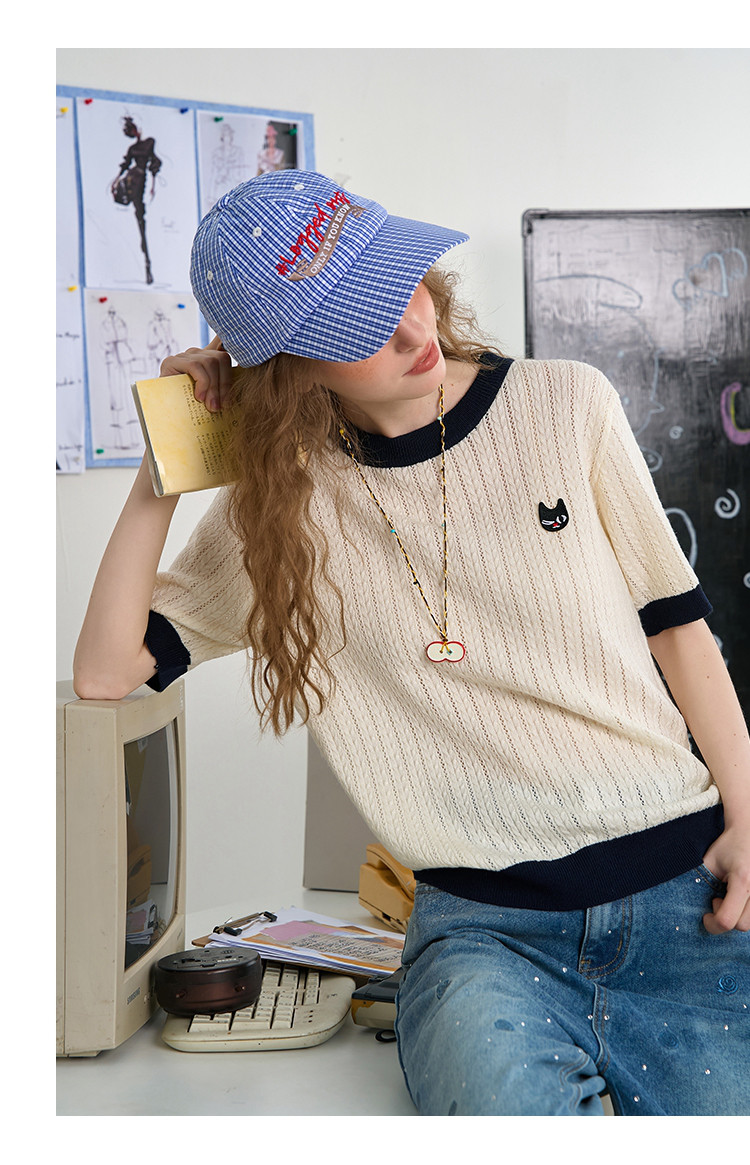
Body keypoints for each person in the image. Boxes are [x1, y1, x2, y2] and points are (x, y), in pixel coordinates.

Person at [74, 169, 750, 1116]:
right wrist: (165, 461)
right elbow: (108, 672)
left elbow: (677, 628)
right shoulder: (281, 509)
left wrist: (748, 814)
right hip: (485, 939)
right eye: (358, 323)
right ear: (288, 370)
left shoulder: (567, 405)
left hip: (688, 891)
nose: (411, 326)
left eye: (402, 281)